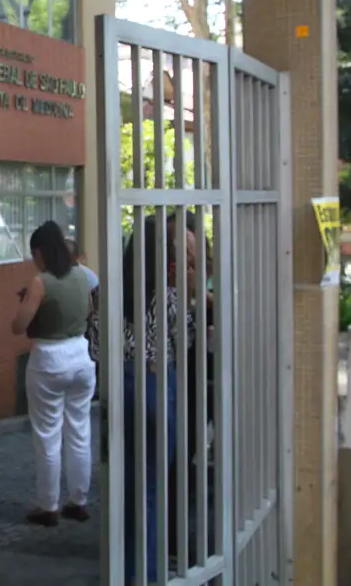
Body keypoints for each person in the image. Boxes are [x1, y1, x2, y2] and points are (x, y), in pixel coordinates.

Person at [119, 215, 200, 584]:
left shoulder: (115, 293)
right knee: (152, 488)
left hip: (127, 383)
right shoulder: (169, 297)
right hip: (155, 382)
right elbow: (188, 340)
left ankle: (132, 570)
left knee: (133, 488)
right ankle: (148, 575)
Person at [11, 221, 96, 527]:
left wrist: (28, 301)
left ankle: (48, 505)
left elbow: (18, 326)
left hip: (49, 359)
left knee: (48, 434)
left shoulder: (40, 281)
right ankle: (79, 500)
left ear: (40, 252)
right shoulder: (81, 276)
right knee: (79, 430)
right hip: (81, 355)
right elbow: (87, 310)